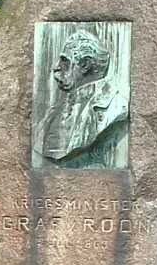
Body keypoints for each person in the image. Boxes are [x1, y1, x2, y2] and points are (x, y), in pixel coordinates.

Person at [35, 28, 129, 169]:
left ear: (85, 65)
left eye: (64, 61)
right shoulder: (56, 108)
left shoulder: (116, 106)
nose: (56, 68)